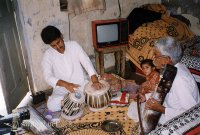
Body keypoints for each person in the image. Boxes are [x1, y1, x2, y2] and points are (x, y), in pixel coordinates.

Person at [41, 25, 103, 112]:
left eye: (58, 42)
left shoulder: (73, 45)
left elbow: (86, 62)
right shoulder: (48, 55)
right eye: (53, 46)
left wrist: (95, 80)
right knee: (51, 105)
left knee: (96, 92)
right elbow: (47, 76)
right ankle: (75, 101)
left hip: (80, 85)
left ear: (61, 36)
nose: (58, 47)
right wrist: (66, 84)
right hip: (62, 89)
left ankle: (72, 102)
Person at [145, 36, 200, 125]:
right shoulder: (171, 69)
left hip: (181, 121)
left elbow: (191, 114)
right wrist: (147, 97)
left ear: (167, 59)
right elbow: (164, 92)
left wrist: (161, 109)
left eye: (156, 55)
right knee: (137, 109)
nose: (152, 58)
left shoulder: (180, 80)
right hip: (168, 108)